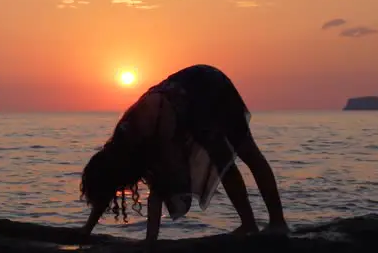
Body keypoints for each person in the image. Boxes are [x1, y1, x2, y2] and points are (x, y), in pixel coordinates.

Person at [78, 64, 289, 242]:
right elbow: (108, 189)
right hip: (189, 107)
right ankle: (249, 225)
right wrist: (87, 230)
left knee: (247, 153)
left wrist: (150, 243)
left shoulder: (142, 132)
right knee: (222, 163)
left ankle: (278, 223)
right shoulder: (120, 149)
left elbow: (158, 190)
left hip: (209, 88)